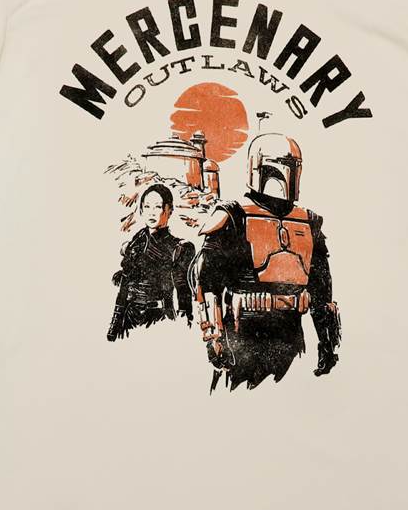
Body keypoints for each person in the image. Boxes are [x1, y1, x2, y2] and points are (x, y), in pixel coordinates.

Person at [190, 133, 341, 392]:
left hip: (291, 335)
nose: (282, 176)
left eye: (290, 167)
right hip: (241, 335)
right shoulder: (234, 216)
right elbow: (205, 280)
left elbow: (321, 288)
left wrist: (327, 341)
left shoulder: (309, 221)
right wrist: (214, 337)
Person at [107, 183, 196, 341]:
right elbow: (124, 288)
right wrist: (115, 324)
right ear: (141, 210)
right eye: (147, 206)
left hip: (159, 318)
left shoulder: (179, 248)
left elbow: (183, 292)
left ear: (169, 210)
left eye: (157, 207)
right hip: (129, 318)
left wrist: (184, 323)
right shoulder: (136, 243)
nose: (151, 212)